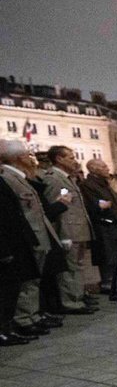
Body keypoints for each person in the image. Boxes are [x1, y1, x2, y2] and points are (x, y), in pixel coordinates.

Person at [0, 140, 62, 339]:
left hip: (36, 234)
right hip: (25, 237)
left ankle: (33, 315)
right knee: (27, 281)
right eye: (28, 155)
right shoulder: (9, 177)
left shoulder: (20, 177)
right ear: (18, 158)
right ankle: (24, 318)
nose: (31, 159)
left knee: (34, 279)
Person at [42, 146, 97, 315]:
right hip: (68, 231)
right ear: (59, 159)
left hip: (78, 229)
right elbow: (56, 208)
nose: (75, 161)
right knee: (70, 269)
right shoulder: (54, 179)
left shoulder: (67, 178)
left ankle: (78, 296)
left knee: (77, 266)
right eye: (71, 158)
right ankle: (71, 301)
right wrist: (62, 235)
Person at [0, 159, 40, 345]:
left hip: (13, 241)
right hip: (6, 245)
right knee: (7, 289)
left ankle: (7, 328)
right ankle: (4, 329)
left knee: (13, 288)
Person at [79, 159, 117, 294]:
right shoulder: (89, 185)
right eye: (103, 166)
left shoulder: (105, 185)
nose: (107, 168)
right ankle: (108, 282)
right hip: (105, 225)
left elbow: (116, 202)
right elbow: (100, 205)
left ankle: (116, 281)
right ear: (94, 169)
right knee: (108, 254)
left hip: (115, 224)